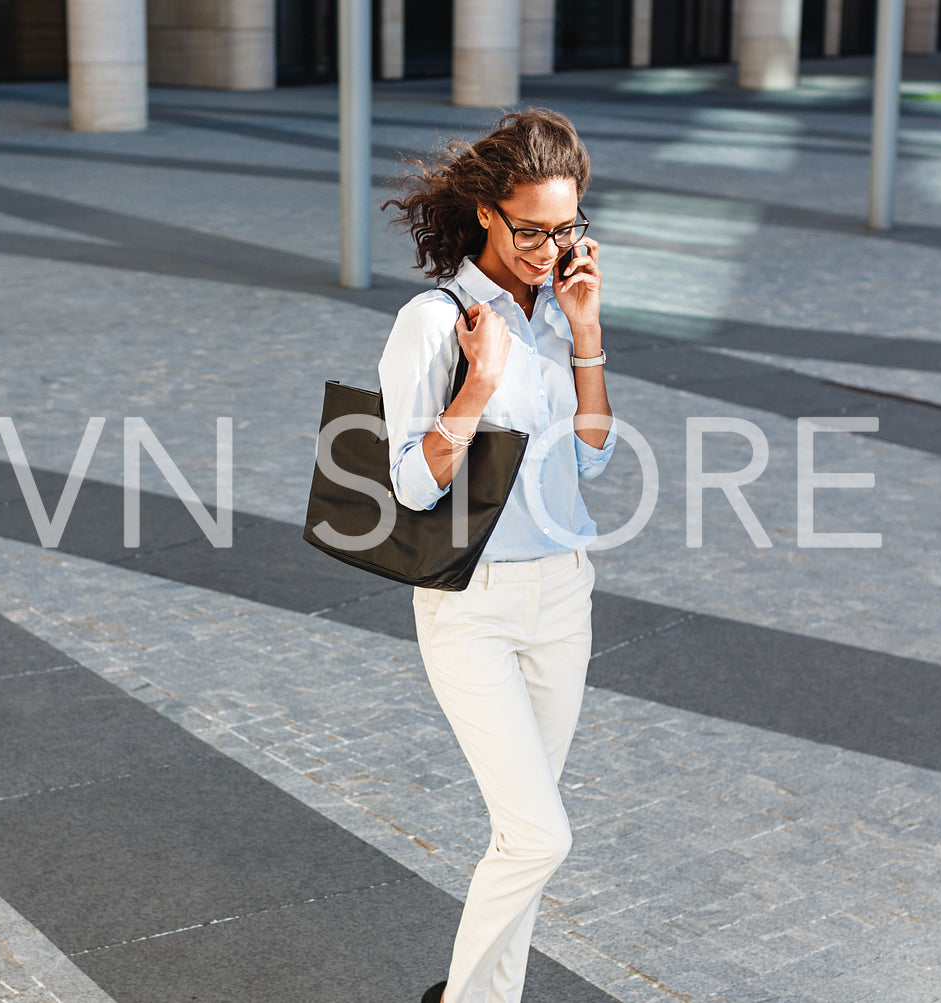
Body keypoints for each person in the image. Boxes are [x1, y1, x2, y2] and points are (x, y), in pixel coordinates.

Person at [378, 109, 616, 1003]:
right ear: (485, 210)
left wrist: (585, 337)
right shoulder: (433, 322)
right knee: (539, 837)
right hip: (468, 601)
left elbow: (590, 457)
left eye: (567, 229)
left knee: (523, 837)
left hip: (562, 595)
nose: (548, 249)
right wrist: (477, 384)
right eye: (530, 230)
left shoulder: (562, 308)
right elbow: (409, 484)